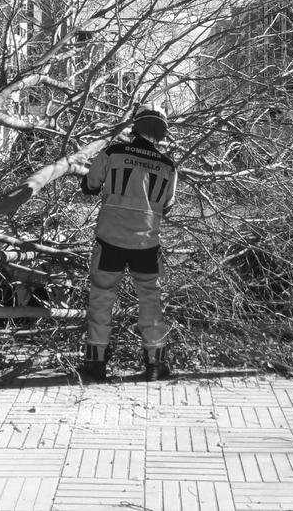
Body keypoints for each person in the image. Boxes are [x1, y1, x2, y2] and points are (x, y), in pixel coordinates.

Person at [78, 104, 177, 382]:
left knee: (101, 299)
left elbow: (89, 186)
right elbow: (167, 207)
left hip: (110, 240)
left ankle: (96, 365)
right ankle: (155, 366)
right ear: (161, 134)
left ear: (135, 127)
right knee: (151, 302)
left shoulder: (112, 153)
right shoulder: (168, 165)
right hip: (147, 243)